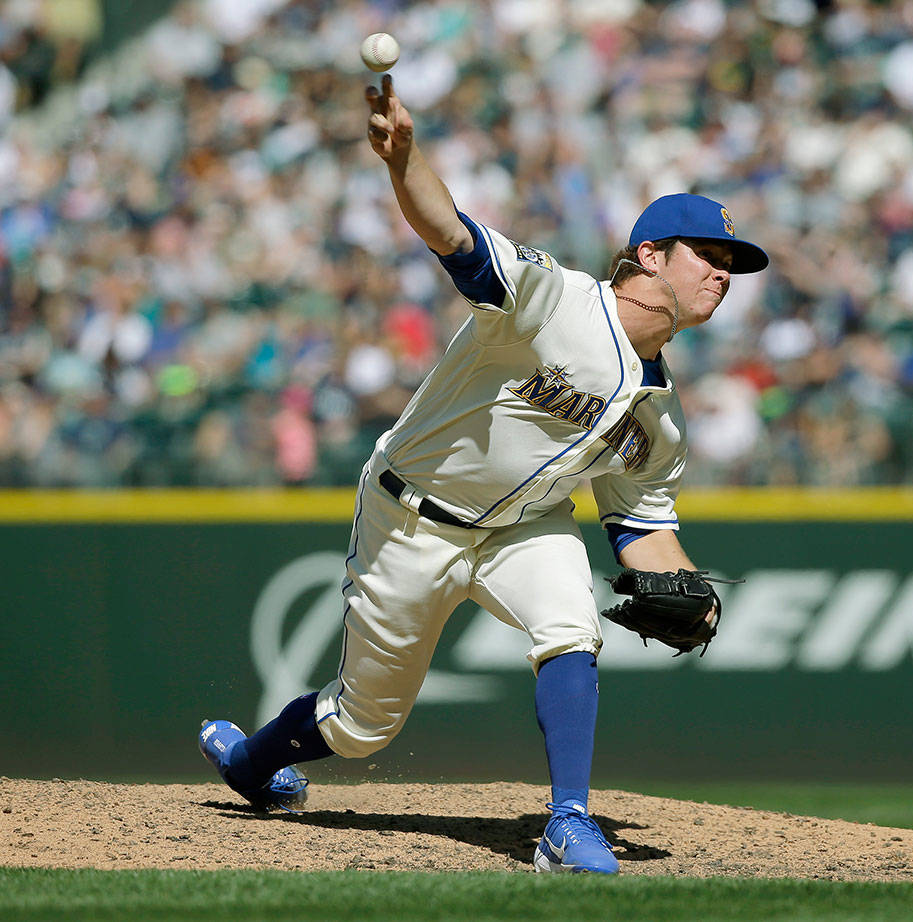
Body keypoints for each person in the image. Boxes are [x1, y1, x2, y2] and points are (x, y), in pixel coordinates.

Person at [198, 74, 768, 875]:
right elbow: (457, 239)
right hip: (410, 518)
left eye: (733, 265)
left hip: (524, 526)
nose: (723, 275)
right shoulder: (556, 300)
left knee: (572, 625)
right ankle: (252, 762)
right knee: (365, 725)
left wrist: (696, 601)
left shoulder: (663, 421)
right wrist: (405, 163)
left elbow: (642, 530)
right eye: (710, 256)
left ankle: (568, 824)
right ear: (649, 254)